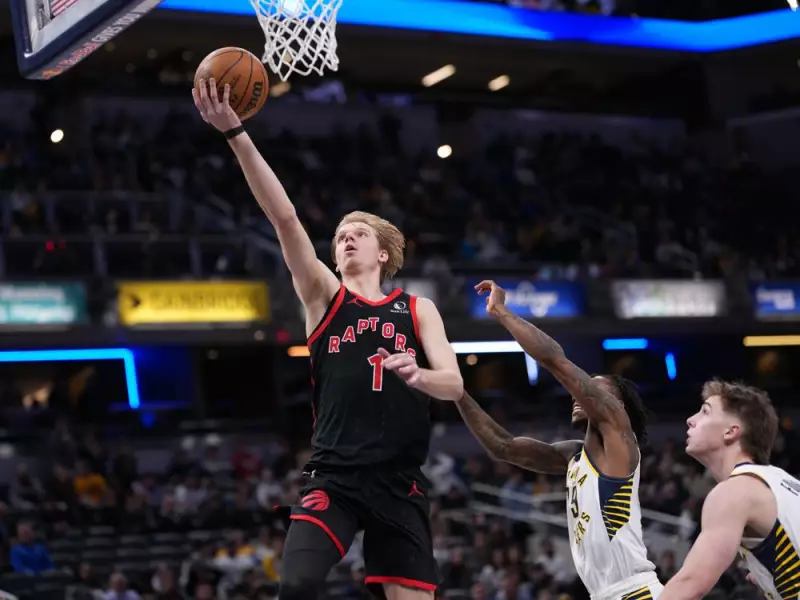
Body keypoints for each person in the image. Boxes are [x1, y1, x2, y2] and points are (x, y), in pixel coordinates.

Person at [192, 80, 463, 600]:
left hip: (399, 482)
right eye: (339, 236)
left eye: (357, 232)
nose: (345, 238)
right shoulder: (324, 297)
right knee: (295, 586)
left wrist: (418, 374)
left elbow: (453, 384)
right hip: (335, 476)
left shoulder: (417, 309)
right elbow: (284, 217)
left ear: (383, 253)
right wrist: (235, 133)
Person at [456, 280, 660, 600]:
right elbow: (503, 446)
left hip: (635, 592)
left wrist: (501, 311)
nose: (579, 393)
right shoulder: (574, 456)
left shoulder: (619, 438)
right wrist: (457, 391)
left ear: (616, 405)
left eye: (593, 388)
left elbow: (554, 361)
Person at [659, 380, 792, 600]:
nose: (690, 420)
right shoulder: (780, 481)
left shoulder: (735, 491)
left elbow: (690, 584)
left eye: (705, 412)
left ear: (731, 432)